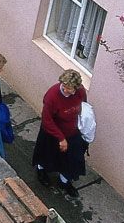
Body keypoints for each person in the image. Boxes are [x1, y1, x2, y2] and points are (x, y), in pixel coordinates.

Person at [32, 69, 88, 197]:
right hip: (52, 132)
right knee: (47, 155)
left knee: (71, 159)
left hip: (72, 131)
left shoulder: (79, 91)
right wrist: (61, 138)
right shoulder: (52, 96)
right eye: (67, 87)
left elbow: (84, 107)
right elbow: (47, 120)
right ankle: (41, 170)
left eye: (72, 89)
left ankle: (65, 181)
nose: (70, 91)